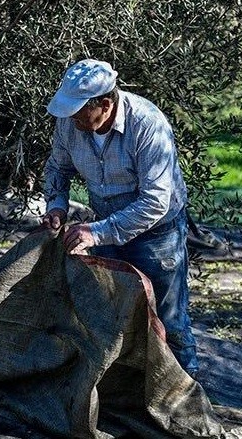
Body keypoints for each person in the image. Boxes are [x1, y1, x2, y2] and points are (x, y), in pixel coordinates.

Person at [41, 59, 198, 377]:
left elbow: (155, 202)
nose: (72, 118)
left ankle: (186, 398)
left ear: (105, 103)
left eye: (80, 110)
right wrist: (56, 205)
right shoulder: (70, 124)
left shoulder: (148, 124)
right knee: (111, 315)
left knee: (169, 321)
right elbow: (58, 167)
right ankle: (125, 392)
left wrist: (96, 234)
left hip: (158, 235)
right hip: (104, 225)